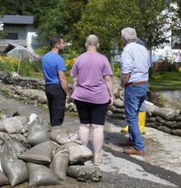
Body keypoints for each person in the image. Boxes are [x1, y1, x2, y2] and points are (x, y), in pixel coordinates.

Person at [70, 35, 113, 165]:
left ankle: (83, 153)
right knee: (97, 127)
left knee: (84, 125)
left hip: (81, 96)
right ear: (97, 45)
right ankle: (97, 157)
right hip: (99, 97)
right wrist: (111, 95)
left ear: (86, 44)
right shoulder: (103, 59)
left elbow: (75, 80)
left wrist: (73, 94)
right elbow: (108, 79)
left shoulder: (79, 59)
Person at [119, 27, 150, 156]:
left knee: (131, 116)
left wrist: (122, 86)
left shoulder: (127, 50)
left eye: (121, 38)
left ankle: (138, 147)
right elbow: (148, 65)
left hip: (133, 85)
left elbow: (126, 72)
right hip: (143, 84)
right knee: (135, 114)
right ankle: (132, 140)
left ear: (124, 39)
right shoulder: (143, 49)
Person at [42, 36, 70, 126]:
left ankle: (52, 133)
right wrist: (68, 93)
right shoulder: (59, 59)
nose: (64, 45)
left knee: (52, 113)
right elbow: (62, 79)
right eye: (62, 43)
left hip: (48, 87)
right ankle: (56, 134)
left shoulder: (45, 57)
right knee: (58, 115)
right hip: (57, 88)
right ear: (57, 45)